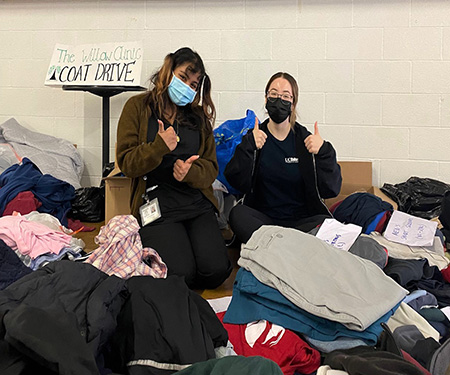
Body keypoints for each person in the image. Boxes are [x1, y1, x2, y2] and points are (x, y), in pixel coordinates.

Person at [116, 47, 231, 289]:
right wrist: (158, 147)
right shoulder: (137, 107)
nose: (187, 87)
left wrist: (191, 172)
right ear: (167, 72)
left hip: (195, 202)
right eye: (182, 78)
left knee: (217, 271)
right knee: (180, 274)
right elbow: (126, 163)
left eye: (193, 84)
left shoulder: (198, 117)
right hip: (157, 205)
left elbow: (210, 169)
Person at [224, 72, 342, 244]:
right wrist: (248, 146)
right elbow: (236, 182)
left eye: (286, 96)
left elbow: (331, 190)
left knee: (328, 224)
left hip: (300, 222)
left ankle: (273, 247)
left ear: (293, 104)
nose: (279, 100)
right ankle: (289, 247)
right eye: (273, 94)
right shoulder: (255, 138)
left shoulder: (306, 141)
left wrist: (324, 151)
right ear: (266, 99)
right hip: (264, 223)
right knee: (237, 214)